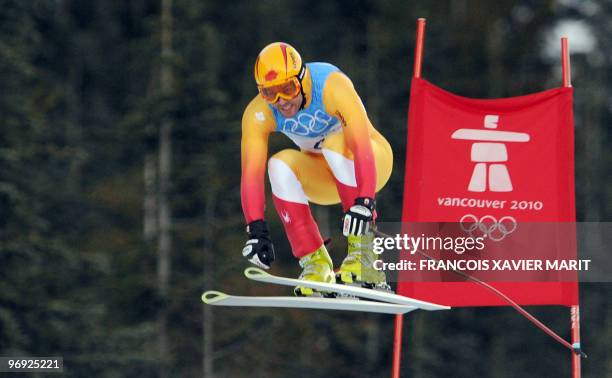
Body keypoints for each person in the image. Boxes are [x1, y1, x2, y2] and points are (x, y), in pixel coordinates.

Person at [240, 42, 393, 296]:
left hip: (371, 164)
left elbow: (361, 146)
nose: (281, 102)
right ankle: (315, 263)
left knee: (334, 142)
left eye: (287, 90)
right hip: (325, 179)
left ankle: (365, 257)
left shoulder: (331, 86)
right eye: (270, 94)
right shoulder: (257, 114)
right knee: (278, 165)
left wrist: (365, 201)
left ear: (302, 80)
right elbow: (251, 177)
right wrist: (256, 229)